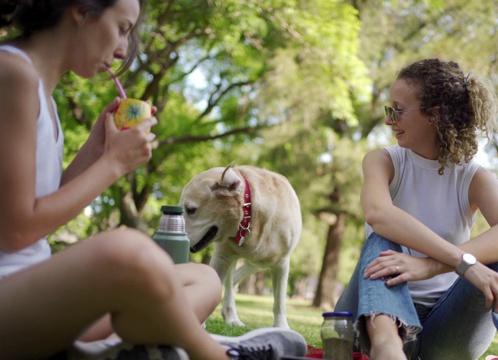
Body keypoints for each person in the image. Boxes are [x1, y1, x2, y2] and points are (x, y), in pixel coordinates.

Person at [0, 1, 306, 359]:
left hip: (36, 300)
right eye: (123, 29)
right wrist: (112, 165)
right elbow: (18, 230)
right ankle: (218, 354)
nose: (122, 50)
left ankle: (125, 349)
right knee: (127, 249)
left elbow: (40, 208)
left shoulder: (42, 96)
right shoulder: (12, 74)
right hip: (11, 301)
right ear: (81, 11)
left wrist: (95, 151)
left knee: (204, 280)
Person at [334, 58, 498, 360]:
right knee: (382, 239)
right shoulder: (382, 161)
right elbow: (379, 214)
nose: (389, 120)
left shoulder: (475, 178)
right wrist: (466, 264)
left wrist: (430, 266)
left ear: (435, 114)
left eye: (399, 110)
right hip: (372, 317)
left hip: (446, 332)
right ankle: (388, 351)